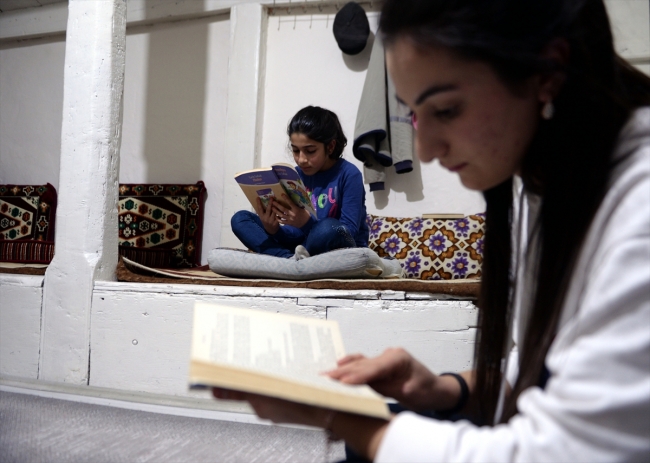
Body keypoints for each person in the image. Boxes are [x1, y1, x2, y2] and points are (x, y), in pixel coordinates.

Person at [215, 0, 650, 461]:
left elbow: (572, 450)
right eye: (415, 115)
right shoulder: (544, 182)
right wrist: (444, 389)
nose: (423, 150)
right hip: (297, 244)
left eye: (446, 109)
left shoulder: (636, 208)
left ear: (546, 73)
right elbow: (545, 368)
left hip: (326, 239)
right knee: (387, 430)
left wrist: (343, 418)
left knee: (373, 440)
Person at [231, 106, 369, 259]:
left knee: (329, 227)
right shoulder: (293, 176)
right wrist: (274, 230)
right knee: (240, 219)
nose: (301, 159)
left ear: (330, 146)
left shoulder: (349, 174)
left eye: (310, 151)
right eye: (296, 150)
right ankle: (288, 259)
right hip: (300, 246)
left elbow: (348, 232)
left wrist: (306, 222)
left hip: (339, 247)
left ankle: (293, 260)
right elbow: (294, 235)